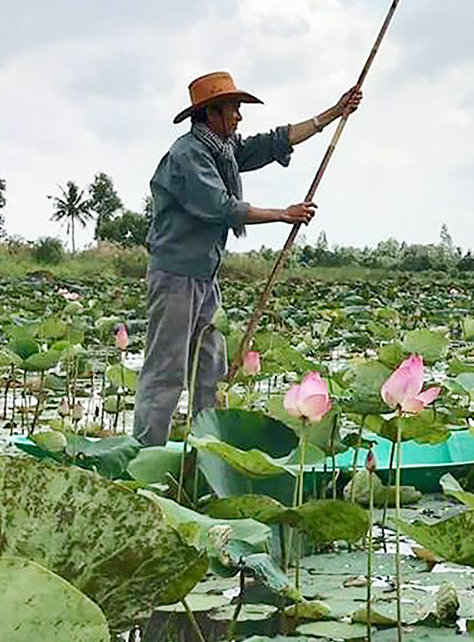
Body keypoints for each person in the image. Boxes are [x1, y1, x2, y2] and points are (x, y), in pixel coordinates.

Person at [132, 71, 361, 447]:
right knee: (167, 371)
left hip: (205, 276)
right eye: (234, 110)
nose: (239, 117)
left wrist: (333, 113)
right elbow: (221, 207)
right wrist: (284, 214)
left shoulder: (223, 150)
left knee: (210, 369)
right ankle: (145, 455)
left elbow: (273, 142)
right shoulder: (187, 155)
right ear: (211, 115)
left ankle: (207, 449)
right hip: (175, 276)